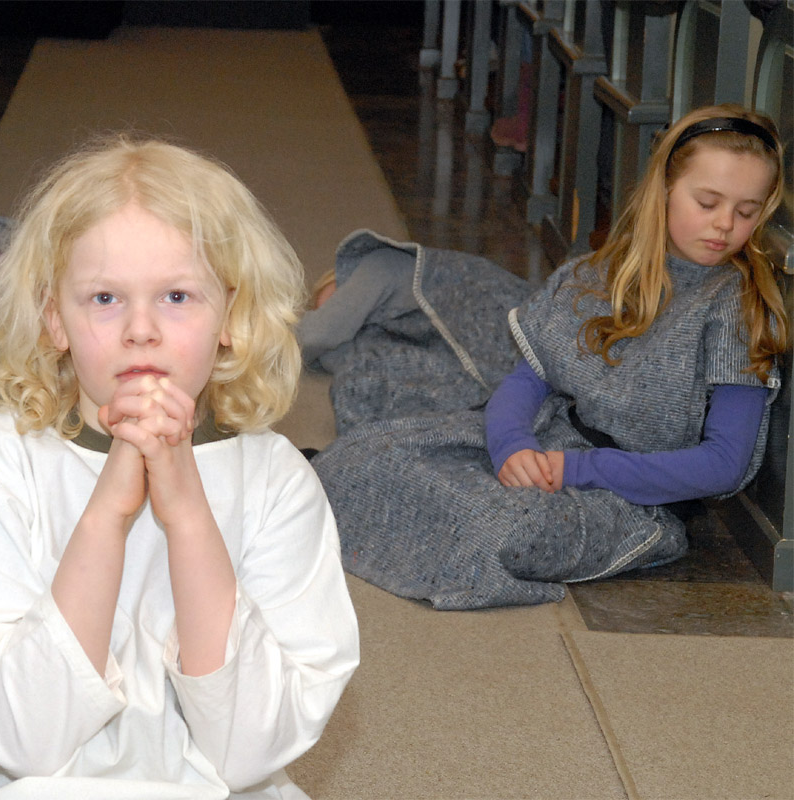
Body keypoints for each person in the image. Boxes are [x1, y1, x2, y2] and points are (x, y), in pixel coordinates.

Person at [0, 136, 360, 799]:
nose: (141, 329)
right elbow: (28, 742)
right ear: (54, 319)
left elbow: (248, 750)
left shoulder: (276, 482)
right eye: (105, 298)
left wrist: (190, 517)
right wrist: (107, 516)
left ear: (230, 315)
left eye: (177, 296)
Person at [303, 103, 787, 609]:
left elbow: (723, 465)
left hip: (633, 500)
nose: (724, 224)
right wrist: (513, 447)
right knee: (368, 452)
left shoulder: (737, 308)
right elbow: (528, 380)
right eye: (707, 202)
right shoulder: (600, 272)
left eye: (747, 212)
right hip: (551, 441)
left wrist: (573, 470)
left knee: (507, 529)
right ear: (664, 189)